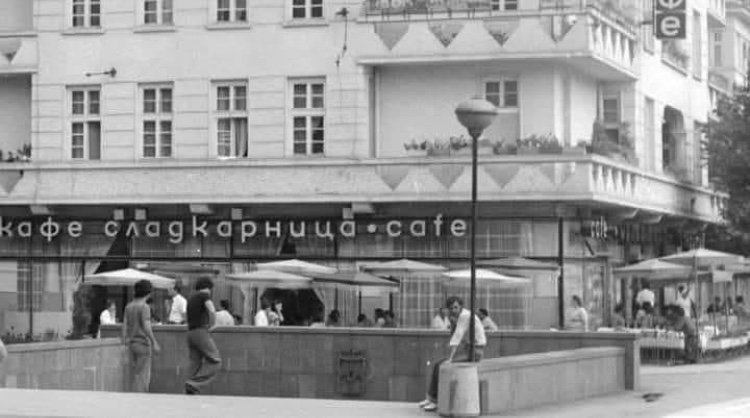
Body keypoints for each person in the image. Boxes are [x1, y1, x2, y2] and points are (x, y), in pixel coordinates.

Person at [419, 296, 486, 412]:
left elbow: (457, 338)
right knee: (437, 365)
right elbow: (456, 336)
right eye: (451, 308)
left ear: (461, 307)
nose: (453, 310)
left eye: (456, 307)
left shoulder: (465, 316)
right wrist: (453, 323)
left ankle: (434, 401)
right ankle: (431, 398)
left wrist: (451, 359)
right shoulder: (460, 317)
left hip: (475, 352)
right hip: (468, 350)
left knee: (441, 366)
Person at [122, 279, 161, 392]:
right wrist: (154, 342)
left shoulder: (128, 306)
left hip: (131, 345)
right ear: (149, 292)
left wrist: (124, 342)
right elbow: (146, 326)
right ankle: (140, 398)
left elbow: (124, 326)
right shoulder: (145, 307)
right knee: (143, 376)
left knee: (134, 374)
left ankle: (133, 396)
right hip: (143, 345)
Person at [185, 277, 221, 395]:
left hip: (190, 333)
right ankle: (194, 383)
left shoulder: (191, 298)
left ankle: (189, 389)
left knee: (195, 363)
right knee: (215, 360)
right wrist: (213, 324)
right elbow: (211, 310)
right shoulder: (204, 296)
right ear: (208, 288)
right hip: (200, 332)